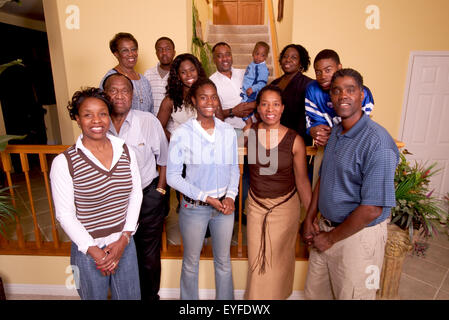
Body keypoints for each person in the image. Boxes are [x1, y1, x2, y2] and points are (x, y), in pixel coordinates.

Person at [302, 69, 399, 300]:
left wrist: (331, 238)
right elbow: (323, 177)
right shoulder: (336, 132)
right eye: (336, 91)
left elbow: (372, 208)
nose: (342, 96)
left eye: (350, 90)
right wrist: (309, 218)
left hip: (358, 239)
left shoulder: (378, 143)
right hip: (325, 230)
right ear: (331, 98)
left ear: (362, 95)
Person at [50, 88, 142, 300]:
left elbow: (135, 195)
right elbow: (65, 215)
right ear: (77, 118)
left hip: (124, 243)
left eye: (102, 113)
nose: (96, 120)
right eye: (87, 114)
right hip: (86, 250)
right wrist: (96, 253)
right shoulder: (64, 163)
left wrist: (125, 239)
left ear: (109, 115)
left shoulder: (125, 151)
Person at [167, 78, 240, 300]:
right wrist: (205, 197)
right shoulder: (182, 133)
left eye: (213, 96)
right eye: (203, 97)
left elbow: (234, 168)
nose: (209, 101)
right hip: (194, 208)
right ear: (194, 101)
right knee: (190, 263)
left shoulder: (228, 131)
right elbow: (172, 177)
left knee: (224, 262)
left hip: (224, 209)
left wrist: (231, 196)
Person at [102, 73, 169, 301]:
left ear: (132, 95)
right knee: (117, 251)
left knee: (147, 255)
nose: (119, 96)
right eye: (113, 90)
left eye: (125, 91)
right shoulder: (99, 124)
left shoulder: (147, 121)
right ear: (105, 94)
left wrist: (160, 191)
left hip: (147, 197)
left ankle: (151, 297)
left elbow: (165, 158)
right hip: (114, 203)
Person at [244, 85, 312, 300]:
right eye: (264, 103)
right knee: (257, 263)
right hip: (256, 207)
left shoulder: (295, 140)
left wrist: (310, 216)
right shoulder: (250, 133)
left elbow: (302, 181)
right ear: (258, 108)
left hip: (285, 209)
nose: (269, 109)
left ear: (282, 108)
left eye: (275, 104)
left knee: (279, 263)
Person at [305, 49, 375, 147]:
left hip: (352, 142)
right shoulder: (312, 89)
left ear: (339, 67)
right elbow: (314, 121)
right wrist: (316, 131)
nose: (323, 76)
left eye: (328, 70)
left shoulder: (363, 92)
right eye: (318, 72)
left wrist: (335, 135)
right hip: (326, 144)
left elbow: (359, 125)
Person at [157, 53, 208, 140]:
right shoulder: (170, 100)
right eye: (183, 72)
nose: (189, 75)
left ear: (198, 70)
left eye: (192, 70)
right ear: (178, 76)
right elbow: (158, 127)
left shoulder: (209, 94)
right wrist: (175, 140)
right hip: (182, 151)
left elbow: (219, 122)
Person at [100, 32, 154, 113]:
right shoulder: (110, 78)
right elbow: (103, 109)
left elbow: (151, 111)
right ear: (116, 54)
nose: (131, 54)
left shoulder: (144, 80)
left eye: (133, 49)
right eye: (125, 50)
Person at [270, 44, 313, 145]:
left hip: (297, 139)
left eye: (294, 57)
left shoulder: (308, 85)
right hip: (274, 136)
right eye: (285, 56)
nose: (288, 60)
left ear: (301, 63)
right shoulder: (274, 83)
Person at [210, 42, 256, 130]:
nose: (225, 59)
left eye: (228, 55)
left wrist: (253, 104)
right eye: (219, 56)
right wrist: (233, 111)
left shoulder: (244, 74)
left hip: (255, 127)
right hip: (232, 131)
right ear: (214, 60)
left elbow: (260, 95)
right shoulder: (211, 83)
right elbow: (211, 115)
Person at [240, 41, 270, 127]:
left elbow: (262, 83)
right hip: (246, 92)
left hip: (252, 93)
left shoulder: (262, 68)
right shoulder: (252, 64)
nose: (259, 57)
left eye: (262, 55)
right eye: (257, 54)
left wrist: (253, 88)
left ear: (266, 57)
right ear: (253, 53)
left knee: (243, 109)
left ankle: (250, 124)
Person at [144, 37, 176, 116]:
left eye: (168, 49)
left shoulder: (179, 74)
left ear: (174, 52)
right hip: (153, 123)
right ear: (156, 53)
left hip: (173, 126)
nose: (164, 53)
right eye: (160, 49)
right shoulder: (148, 74)